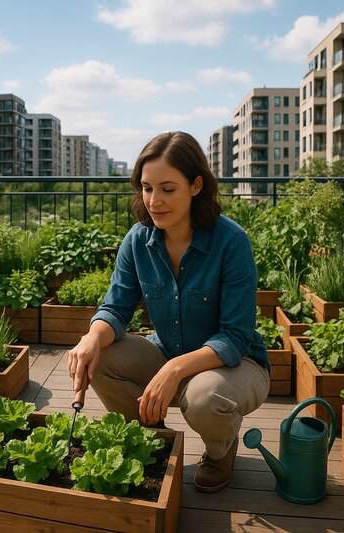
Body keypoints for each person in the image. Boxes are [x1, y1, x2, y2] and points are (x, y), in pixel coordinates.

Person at [65, 131, 270, 493]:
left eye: (167, 189)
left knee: (204, 397)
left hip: (233, 366)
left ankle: (220, 451)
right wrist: (90, 338)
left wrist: (175, 369)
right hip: (165, 350)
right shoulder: (137, 241)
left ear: (195, 186)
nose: (154, 201)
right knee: (101, 354)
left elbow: (236, 336)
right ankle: (152, 438)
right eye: (146, 188)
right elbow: (115, 306)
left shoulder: (231, 242)